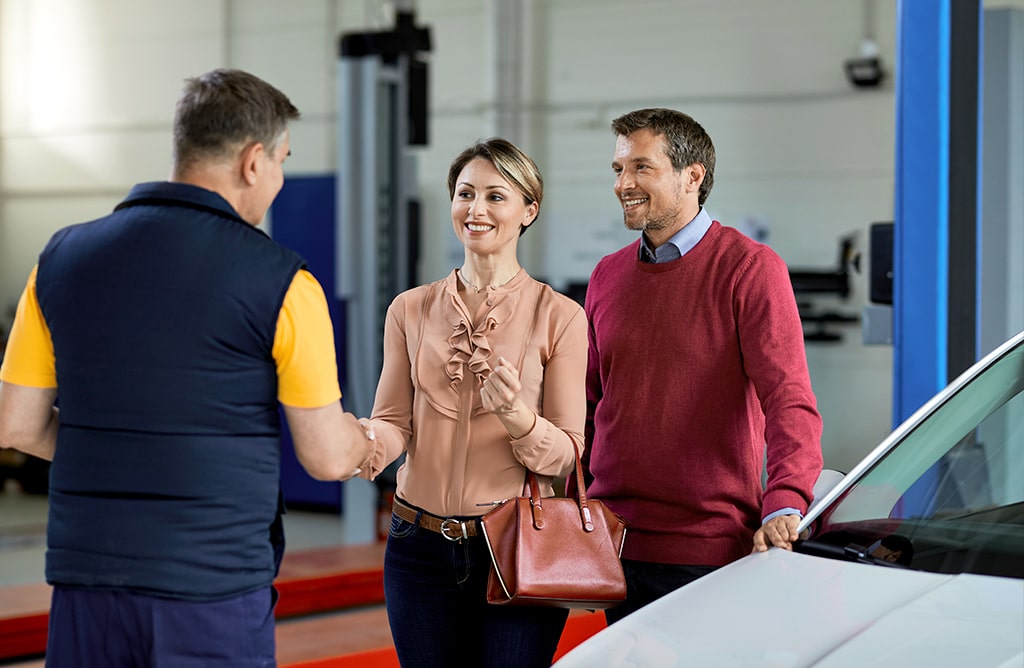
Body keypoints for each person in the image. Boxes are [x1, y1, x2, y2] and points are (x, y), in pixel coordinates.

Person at [0, 68, 372, 667]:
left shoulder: (59, 259)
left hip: (86, 580)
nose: (277, 179)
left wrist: (112, 450)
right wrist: (370, 439)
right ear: (254, 161)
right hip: (212, 592)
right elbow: (327, 456)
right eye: (281, 161)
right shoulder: (283, 282)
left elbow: (15, 426)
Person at [579, 108, 824, 624]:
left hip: (709, 553)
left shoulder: (750, 268)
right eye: (619, 169)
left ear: (694, 177)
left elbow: (790, 400)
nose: (625, 183)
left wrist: (785, 500)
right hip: (613, 544)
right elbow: (589, 405)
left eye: (642, 168)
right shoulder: (606, 275)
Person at [357, 138, 587, 667]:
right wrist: (363, 443)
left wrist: (517, 416)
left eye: (495, 196)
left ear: (529, 210)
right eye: (465, 194)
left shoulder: (561, 316)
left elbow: (569, 455)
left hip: (515, 547)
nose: (475, 210)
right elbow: (394, 422)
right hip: (416, 545)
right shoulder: (409, 309)